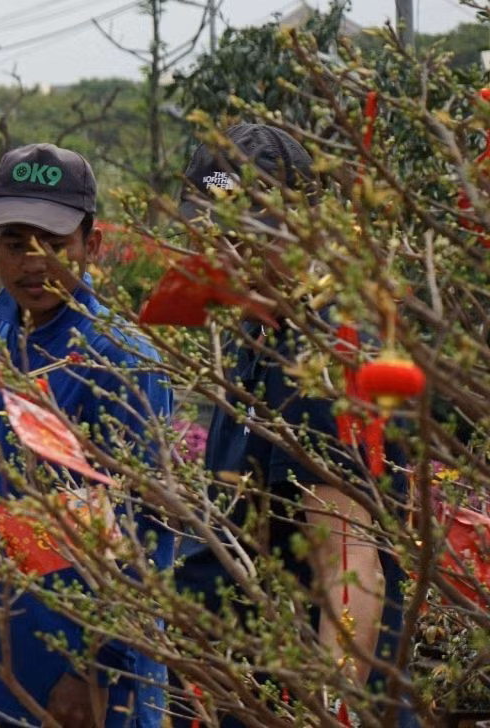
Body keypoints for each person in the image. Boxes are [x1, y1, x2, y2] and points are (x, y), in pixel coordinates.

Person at [0, 144, 173, 728]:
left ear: (93, 244)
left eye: (54, 243)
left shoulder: (118, 361)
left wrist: (96, 666)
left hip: (93, 685)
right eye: (15, 242)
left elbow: (146, 528)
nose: (33, 261)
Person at [171, 122, 386, 724]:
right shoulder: (264, 331)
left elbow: (349, 576)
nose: (223, 256)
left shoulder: (318, 355)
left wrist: (329, 714)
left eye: (246, 235)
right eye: (212, 236)